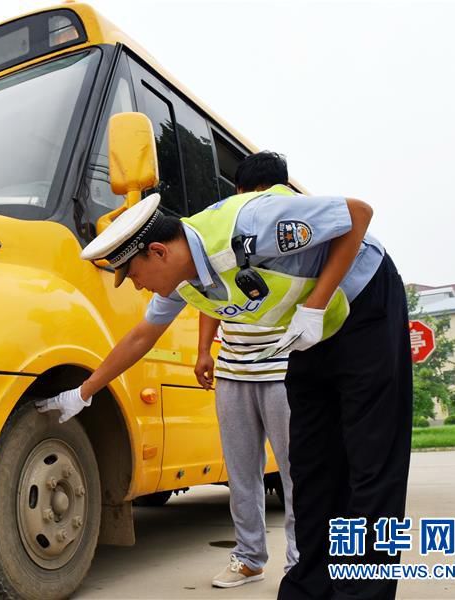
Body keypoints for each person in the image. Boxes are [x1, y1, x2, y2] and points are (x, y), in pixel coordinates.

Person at [36, 161, 412, 599]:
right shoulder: (182, 278)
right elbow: (141, 335)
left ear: (158, 252)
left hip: (365, 303)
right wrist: (82, 393)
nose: (138, 288)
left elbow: (357, 216)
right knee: (311, 465)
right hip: (314, 331)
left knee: (371, 460)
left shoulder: (248, 223)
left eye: (134, 275)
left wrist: (314, 305)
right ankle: (308, 587)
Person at [187, 152, 298, 588]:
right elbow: (209, 294)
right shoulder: (225, 234)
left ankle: (299, 561)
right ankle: (249, 558)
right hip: (234, 370)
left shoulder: (292, 231)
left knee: (296, 471)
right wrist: (203, 352)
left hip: (283, 370)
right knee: (241, 472)